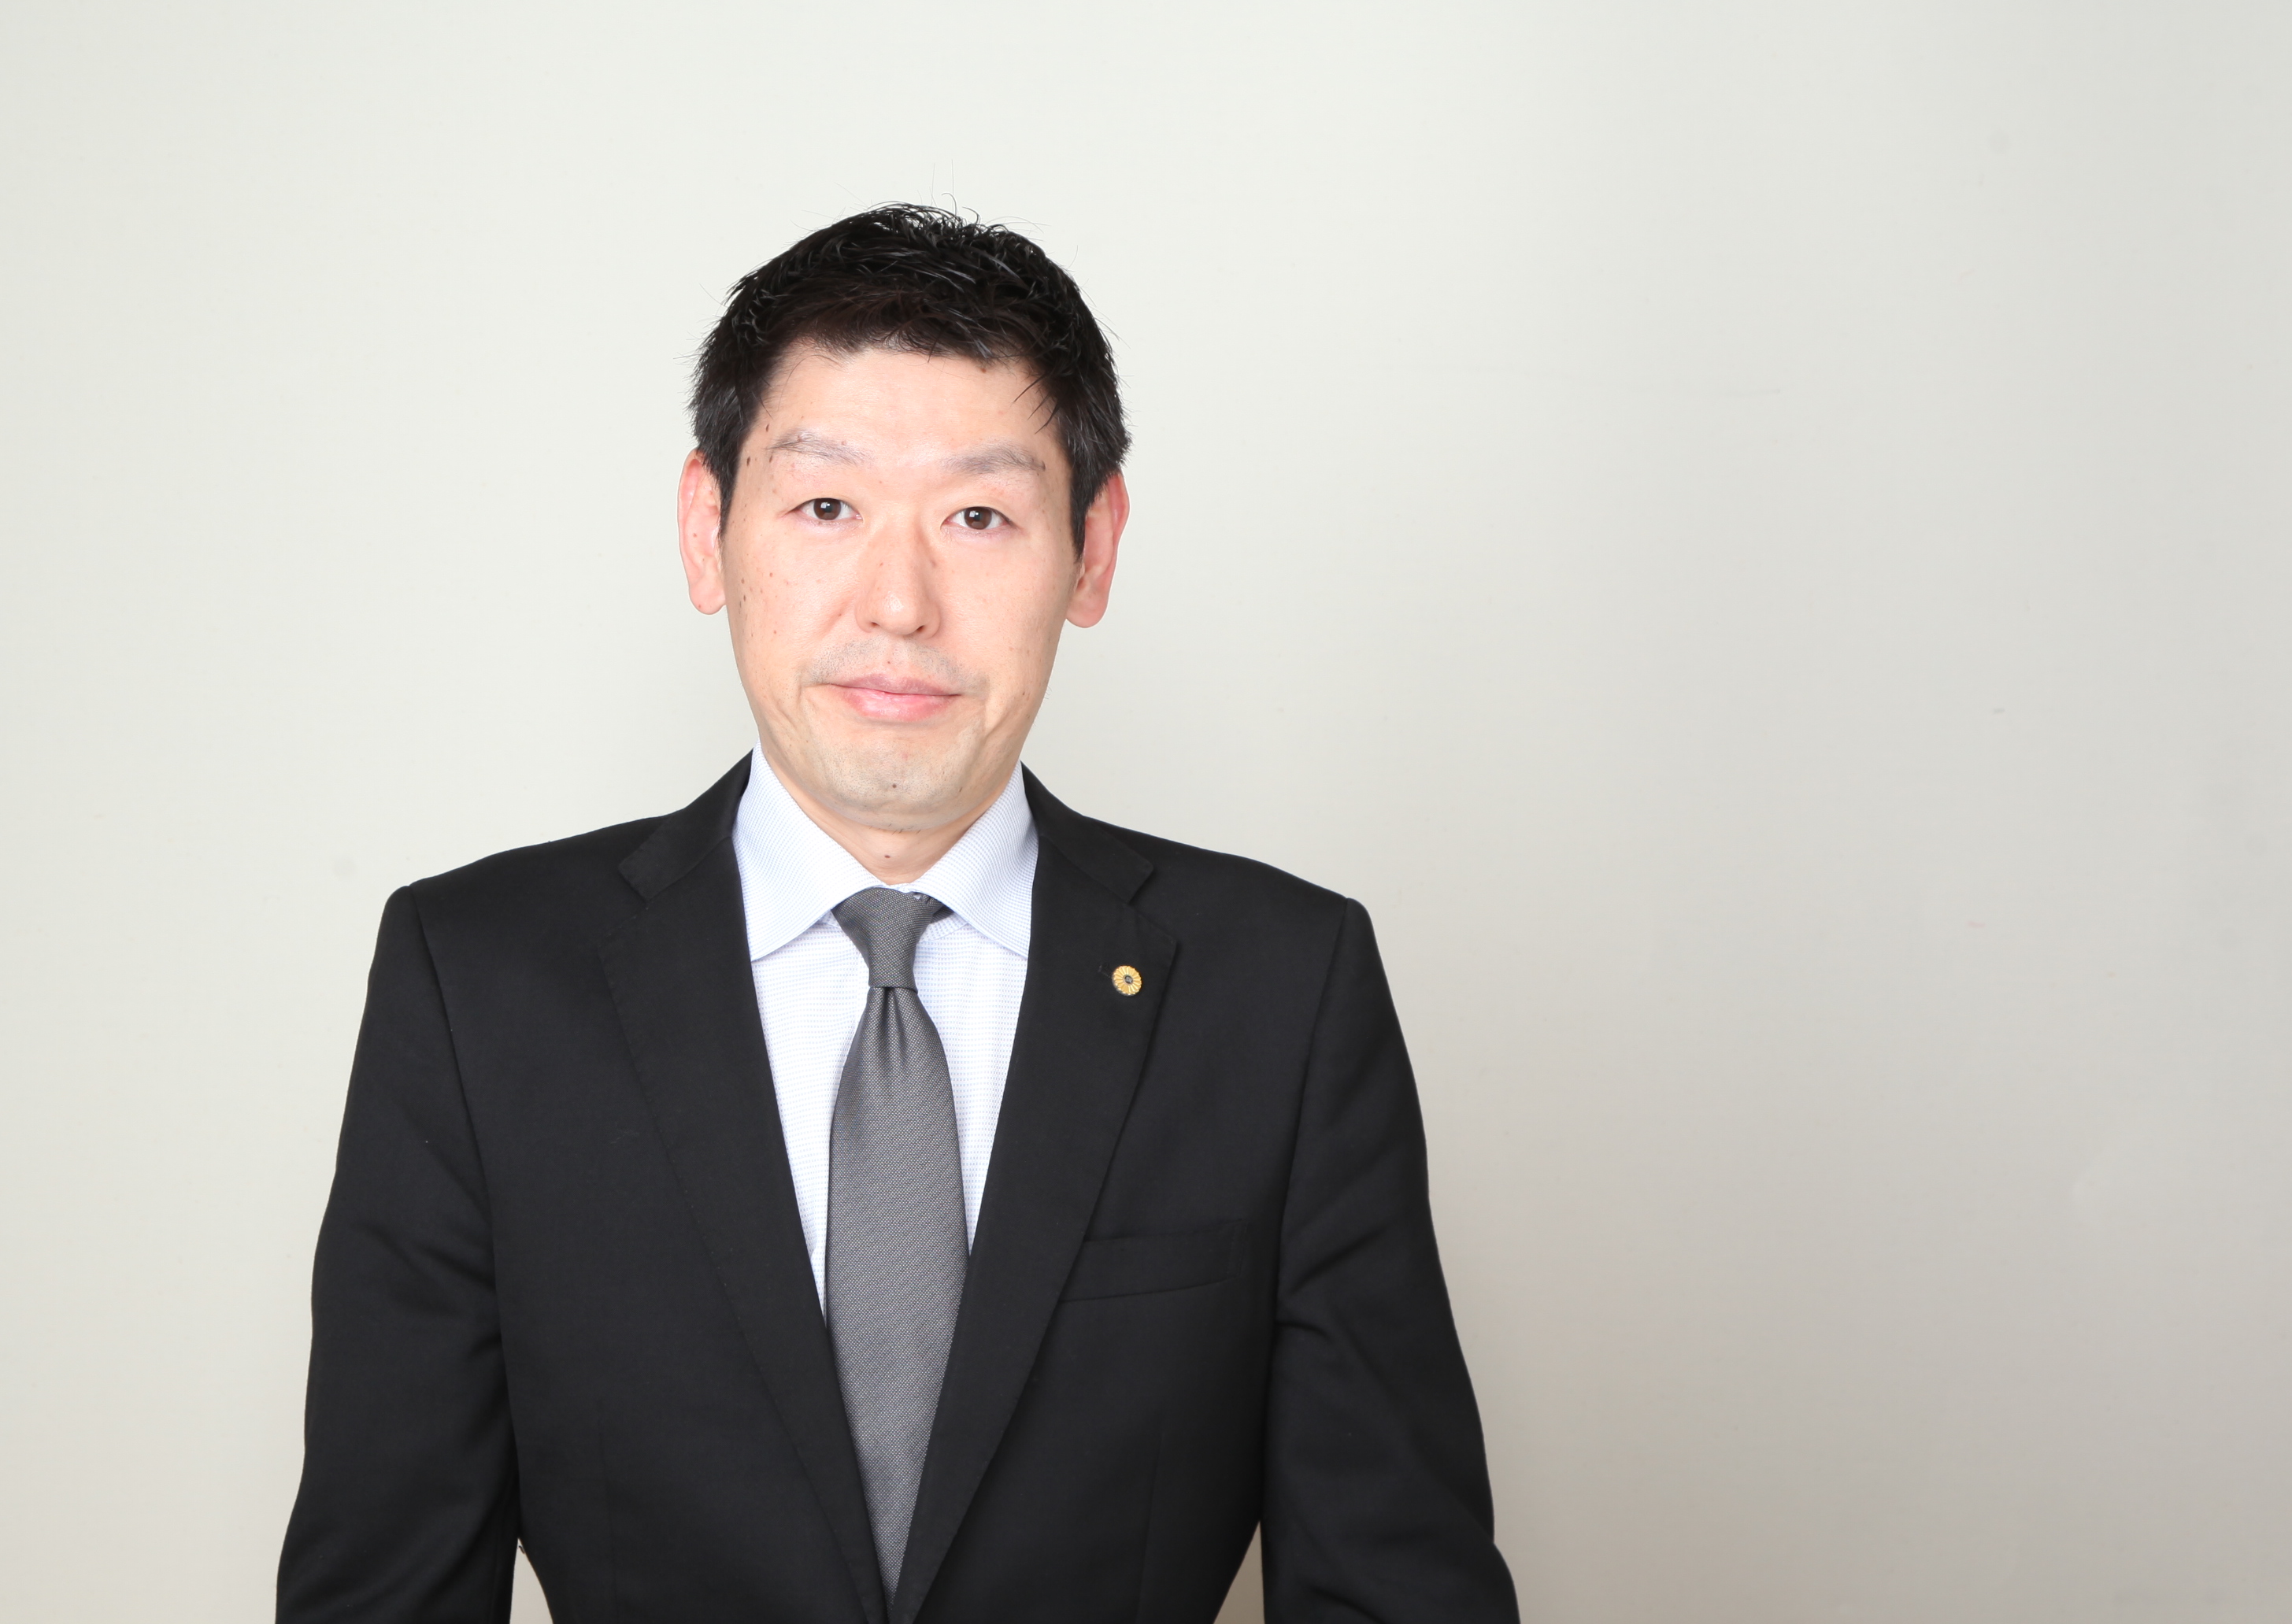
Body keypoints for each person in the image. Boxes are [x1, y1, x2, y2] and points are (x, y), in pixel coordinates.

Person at [278, 207, 1517, 1623]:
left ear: (1093, 549)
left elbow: (1397, 1589)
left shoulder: (1280, 994)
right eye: (826, 508)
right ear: (706, 531)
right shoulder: (479, 986)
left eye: (980, 517)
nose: (900, 602)